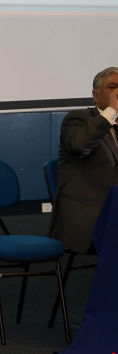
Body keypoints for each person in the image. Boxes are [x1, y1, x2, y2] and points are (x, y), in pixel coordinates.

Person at [49, 66, 118, 254]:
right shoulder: (78, 119)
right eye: (112, 87)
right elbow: (79, 146)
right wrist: (111, 111)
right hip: (89, 215)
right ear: (96, 95)